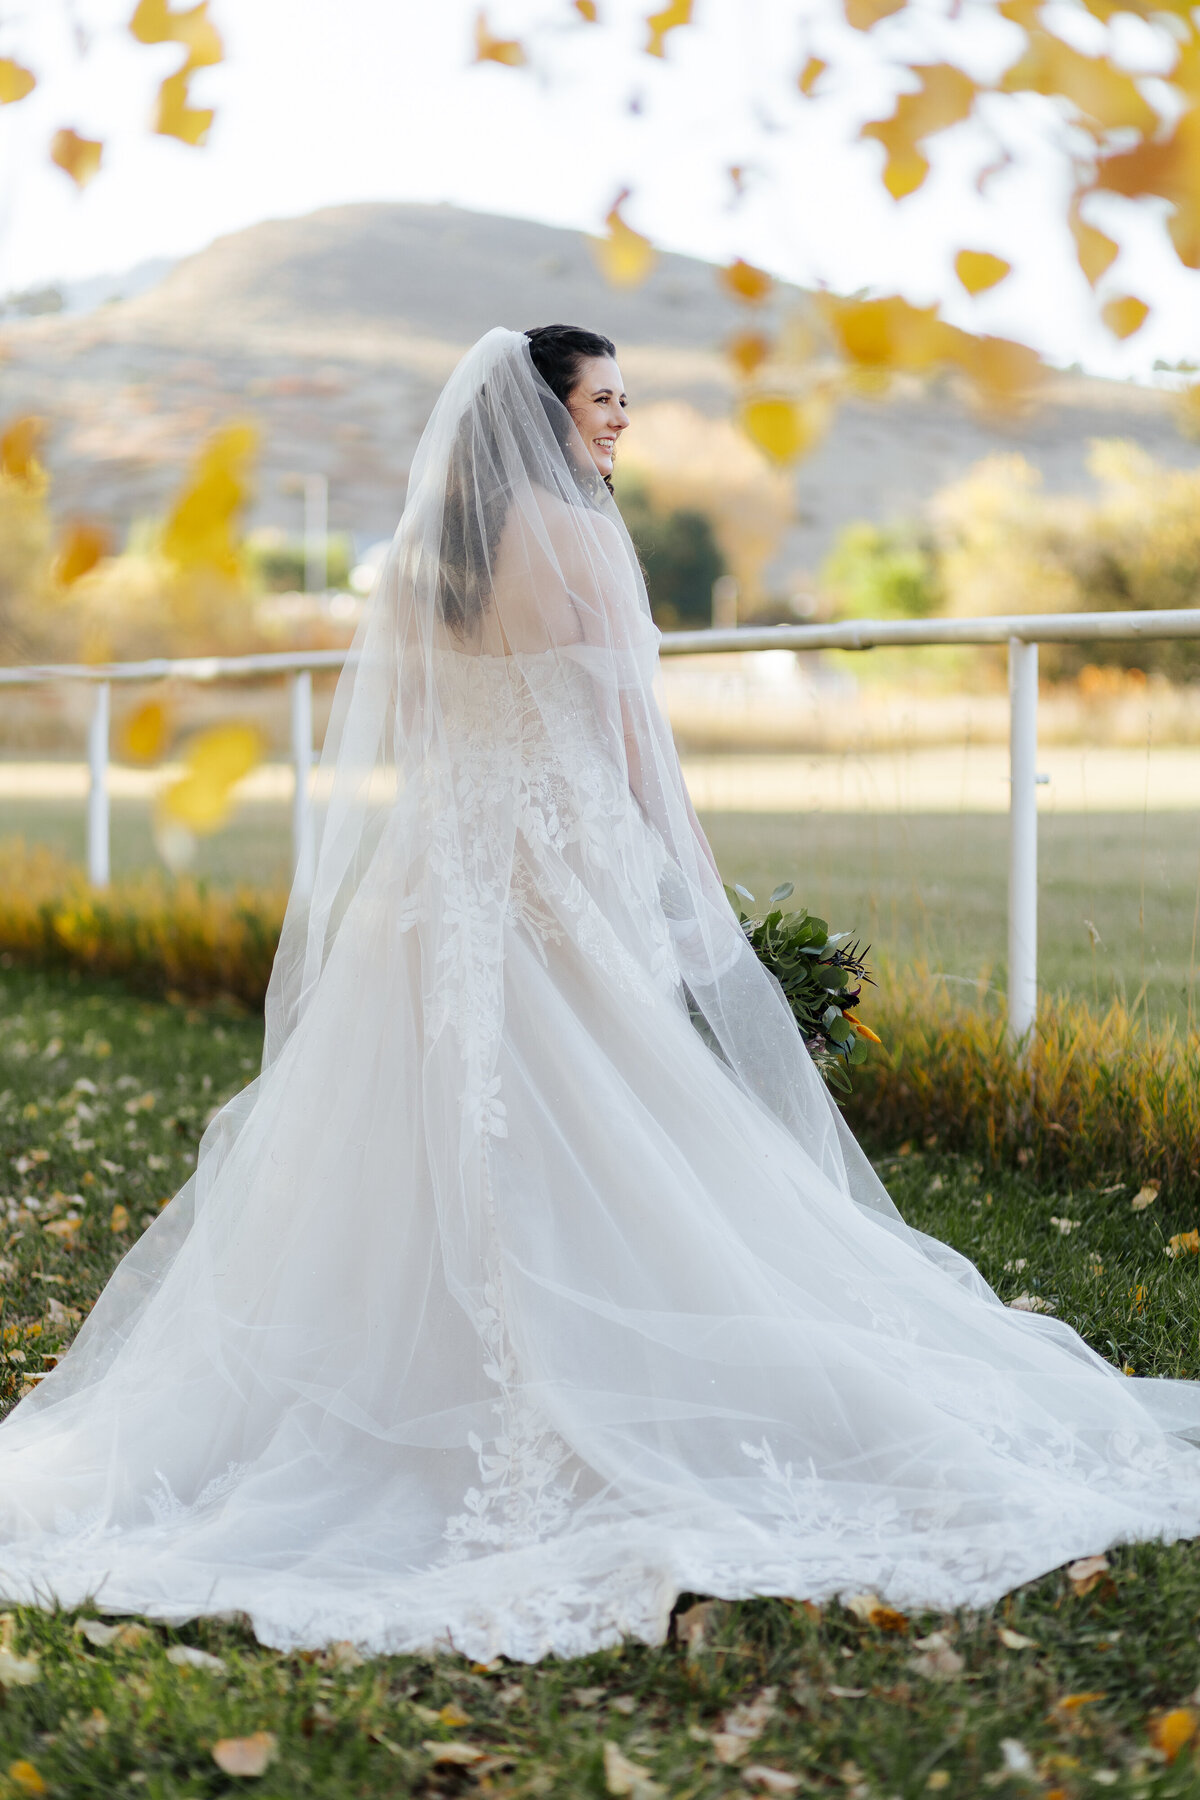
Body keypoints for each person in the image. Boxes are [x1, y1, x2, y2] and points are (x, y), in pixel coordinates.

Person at [1, 324, 1199, 1664]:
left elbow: (428, 735)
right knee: (605, 1122)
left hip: (441, 876)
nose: (620, 423)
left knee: (437, 1130)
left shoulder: (422, 562)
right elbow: (635, 739)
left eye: (627, 400)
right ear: (546, 413)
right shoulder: (573, 538)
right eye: (604, 401)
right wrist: (696, 897)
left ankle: (431, 1373)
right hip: (551, 874)